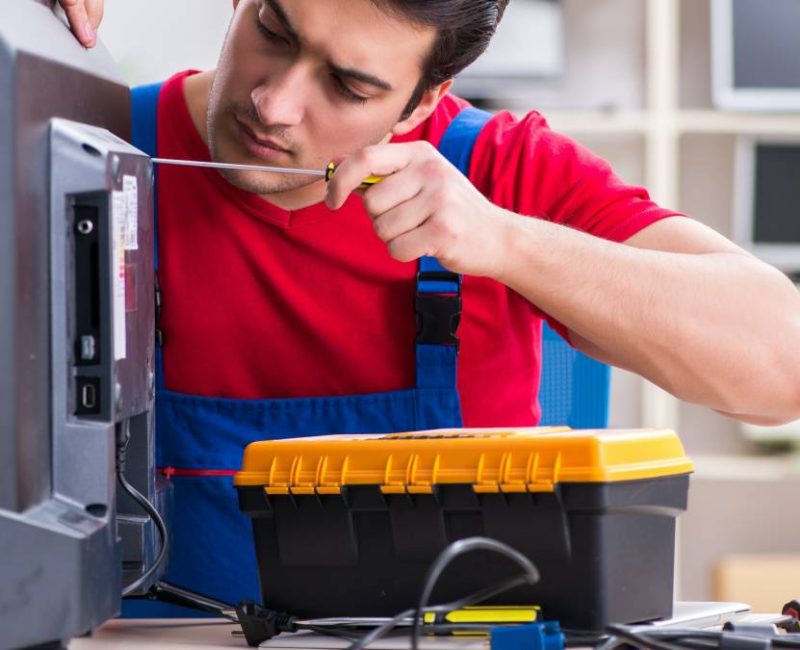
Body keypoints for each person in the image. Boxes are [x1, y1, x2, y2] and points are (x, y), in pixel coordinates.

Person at [61, 0, 800, 608]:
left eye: (348, 87)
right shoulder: (84, 144)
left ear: (422, 104)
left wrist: (505, 240)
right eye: (274, 31)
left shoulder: (504, 169)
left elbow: (780, 368)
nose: (273, 103)